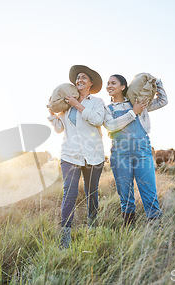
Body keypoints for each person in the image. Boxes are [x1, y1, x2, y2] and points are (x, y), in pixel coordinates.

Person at [48, 65, 106, 249]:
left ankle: (93, 227)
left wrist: (77, 105)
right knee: (69, 193)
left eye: (84, 78)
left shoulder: (97, 102)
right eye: (77, 78)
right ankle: (65, 238)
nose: (79, 80)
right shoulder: (66, 103)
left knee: (92, 193)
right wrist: (52, 115)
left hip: (93, 155)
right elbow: (59, 129)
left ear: (91, 83)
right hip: (70, 155)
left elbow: (97, 120)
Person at [103, 74, 168, 226]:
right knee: (125, 194)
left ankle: (155, 228)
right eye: (108, 84)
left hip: (142, 150)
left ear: (123, 87)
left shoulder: (138, 103)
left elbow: (163, 101)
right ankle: (129, 229)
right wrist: (134, 112)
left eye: (113, 83)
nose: (109, 86)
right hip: (120, 153)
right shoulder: (107, 109)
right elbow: (111, 126)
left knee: (149, 190)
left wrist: (156, 81)